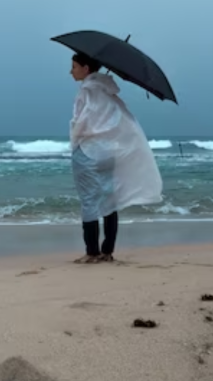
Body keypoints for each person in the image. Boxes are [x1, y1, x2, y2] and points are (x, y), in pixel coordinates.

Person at [69, 53, 163, 263]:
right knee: (109, 200)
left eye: (74, 66)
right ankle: (107, 251)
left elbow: (81, 122)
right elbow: (118, 121)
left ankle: (91, 252)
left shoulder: (86, 90)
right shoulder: (109, 91)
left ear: (86, 68)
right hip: (108, 152)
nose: (71, 71)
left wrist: (74, 139)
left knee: (89, 201)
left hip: (88, 151)